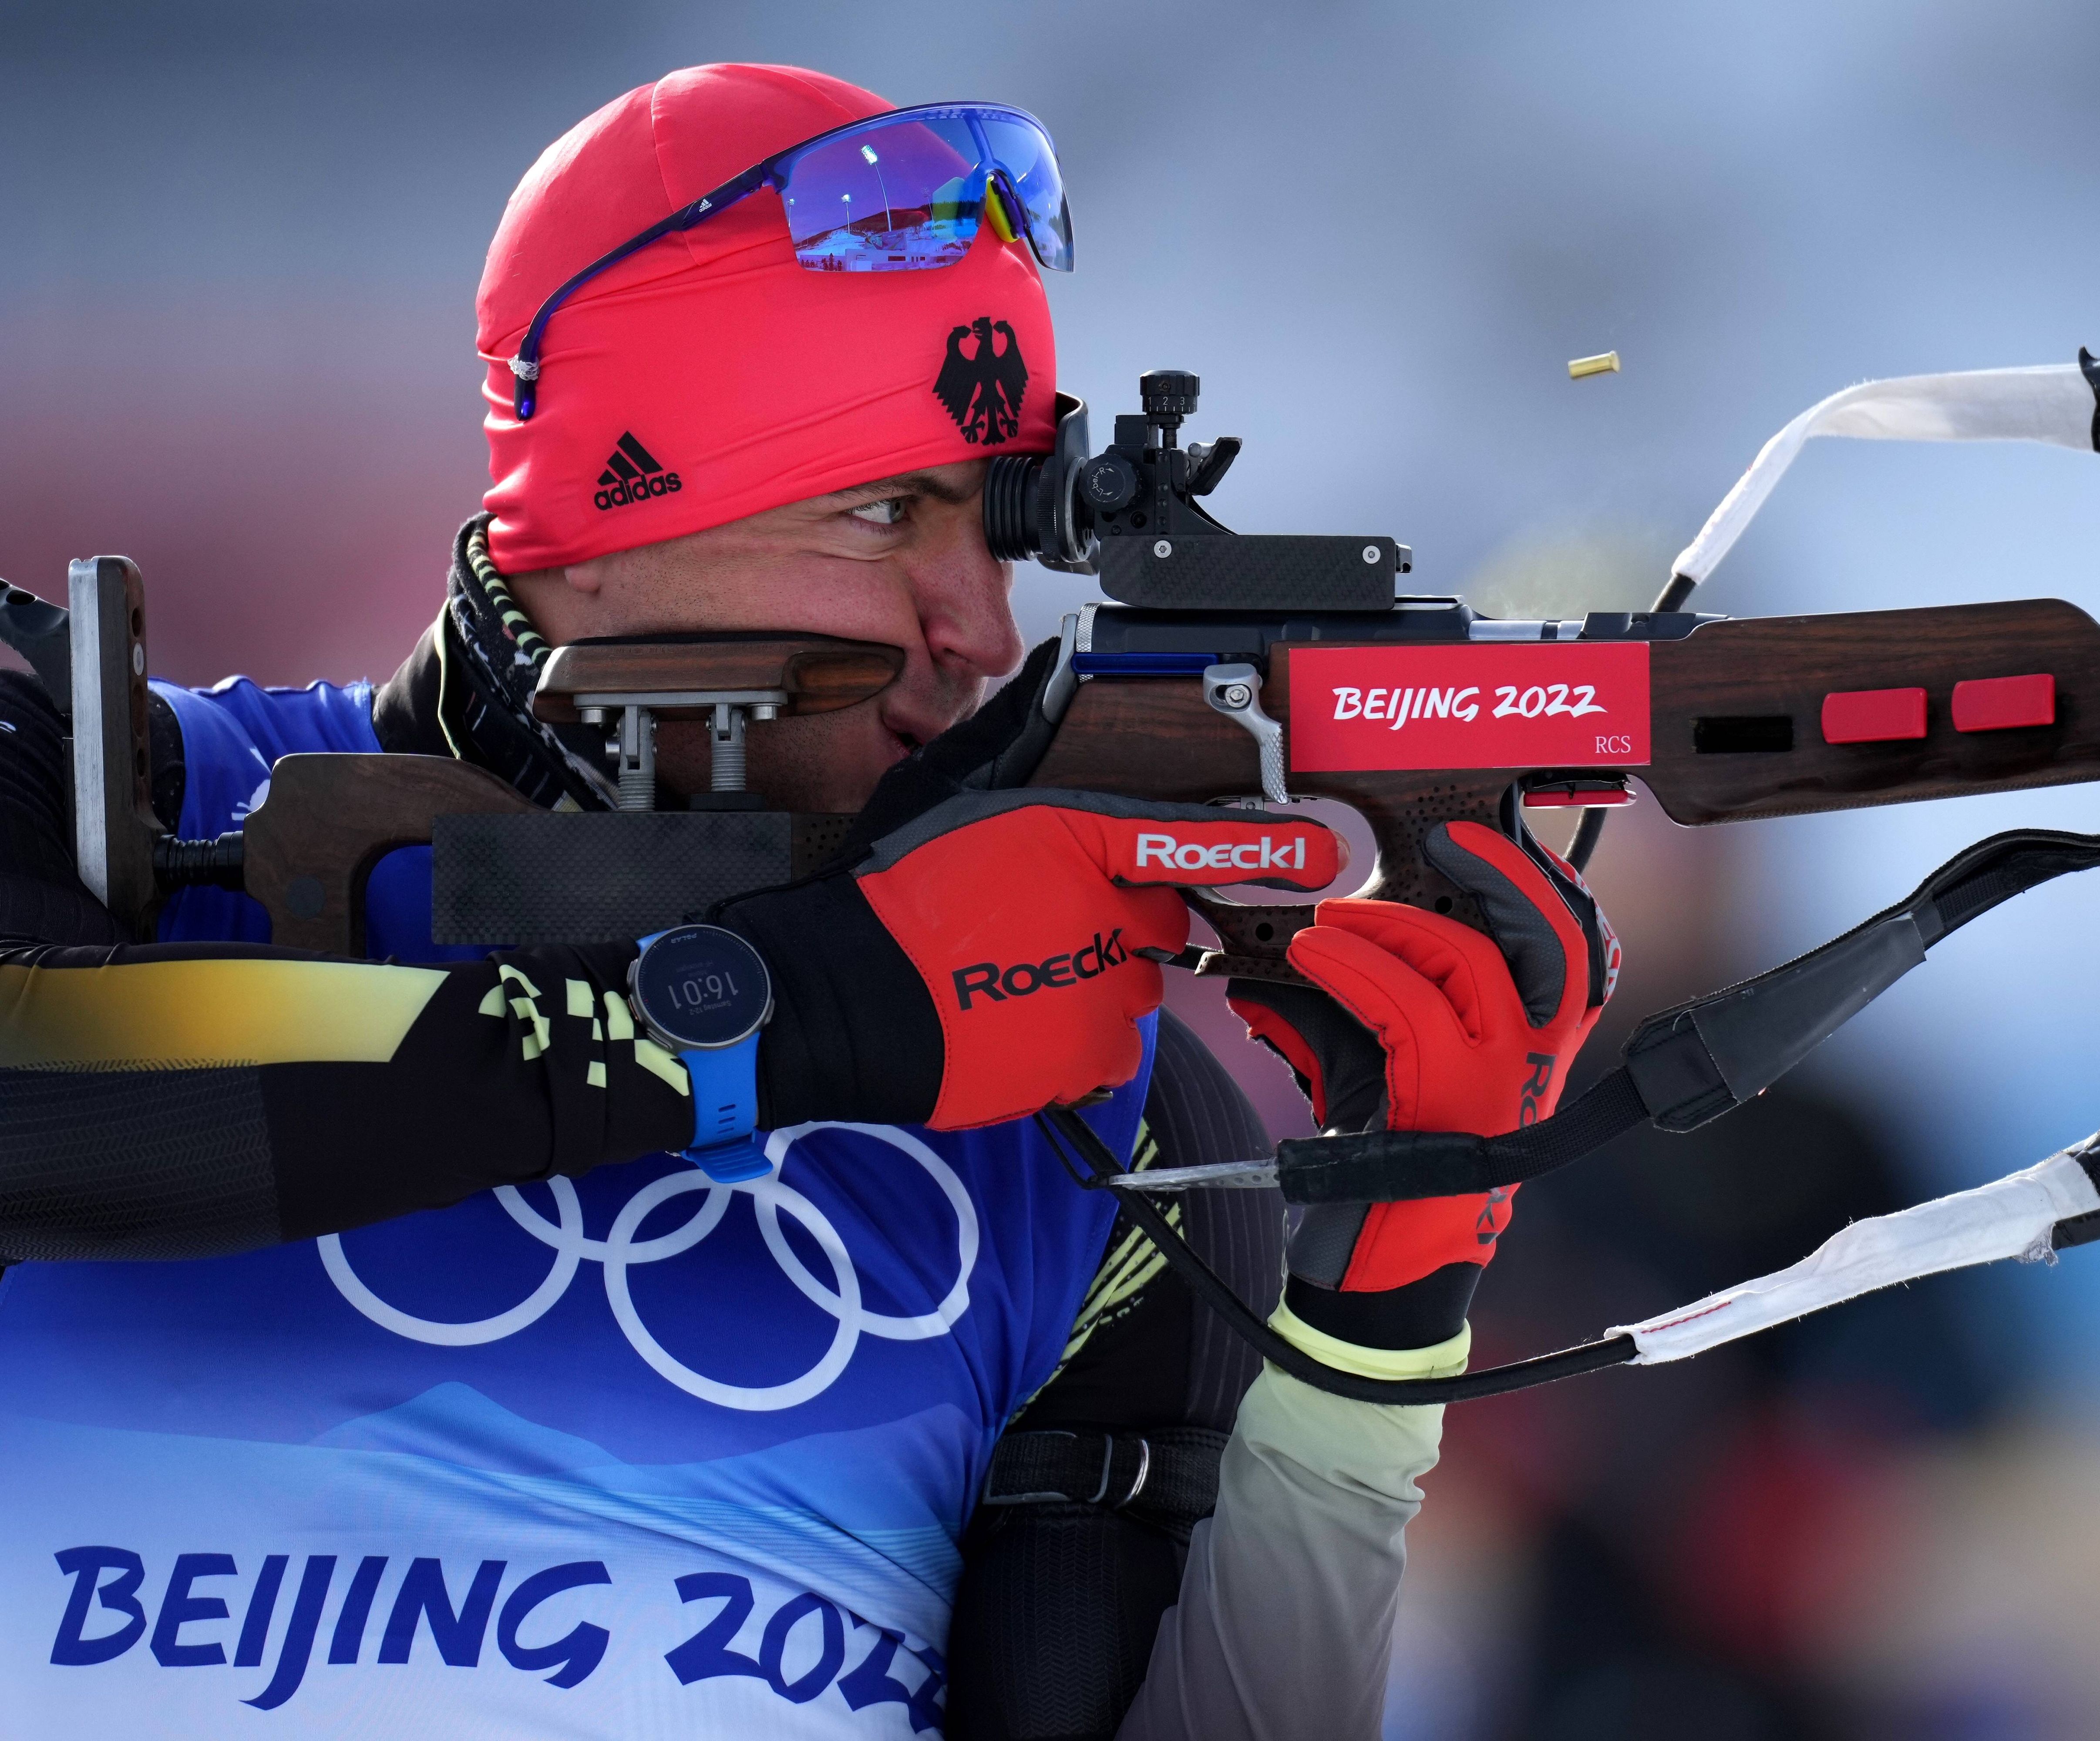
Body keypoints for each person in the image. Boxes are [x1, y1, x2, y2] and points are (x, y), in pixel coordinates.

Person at [0, 64, 1614, 1739]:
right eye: (878, 511)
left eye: (998, 528)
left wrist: (1365, 1363)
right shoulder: (107, 791)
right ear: (601, 525)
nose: (978, 627)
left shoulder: (1095, 1109)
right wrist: (774, 1024)